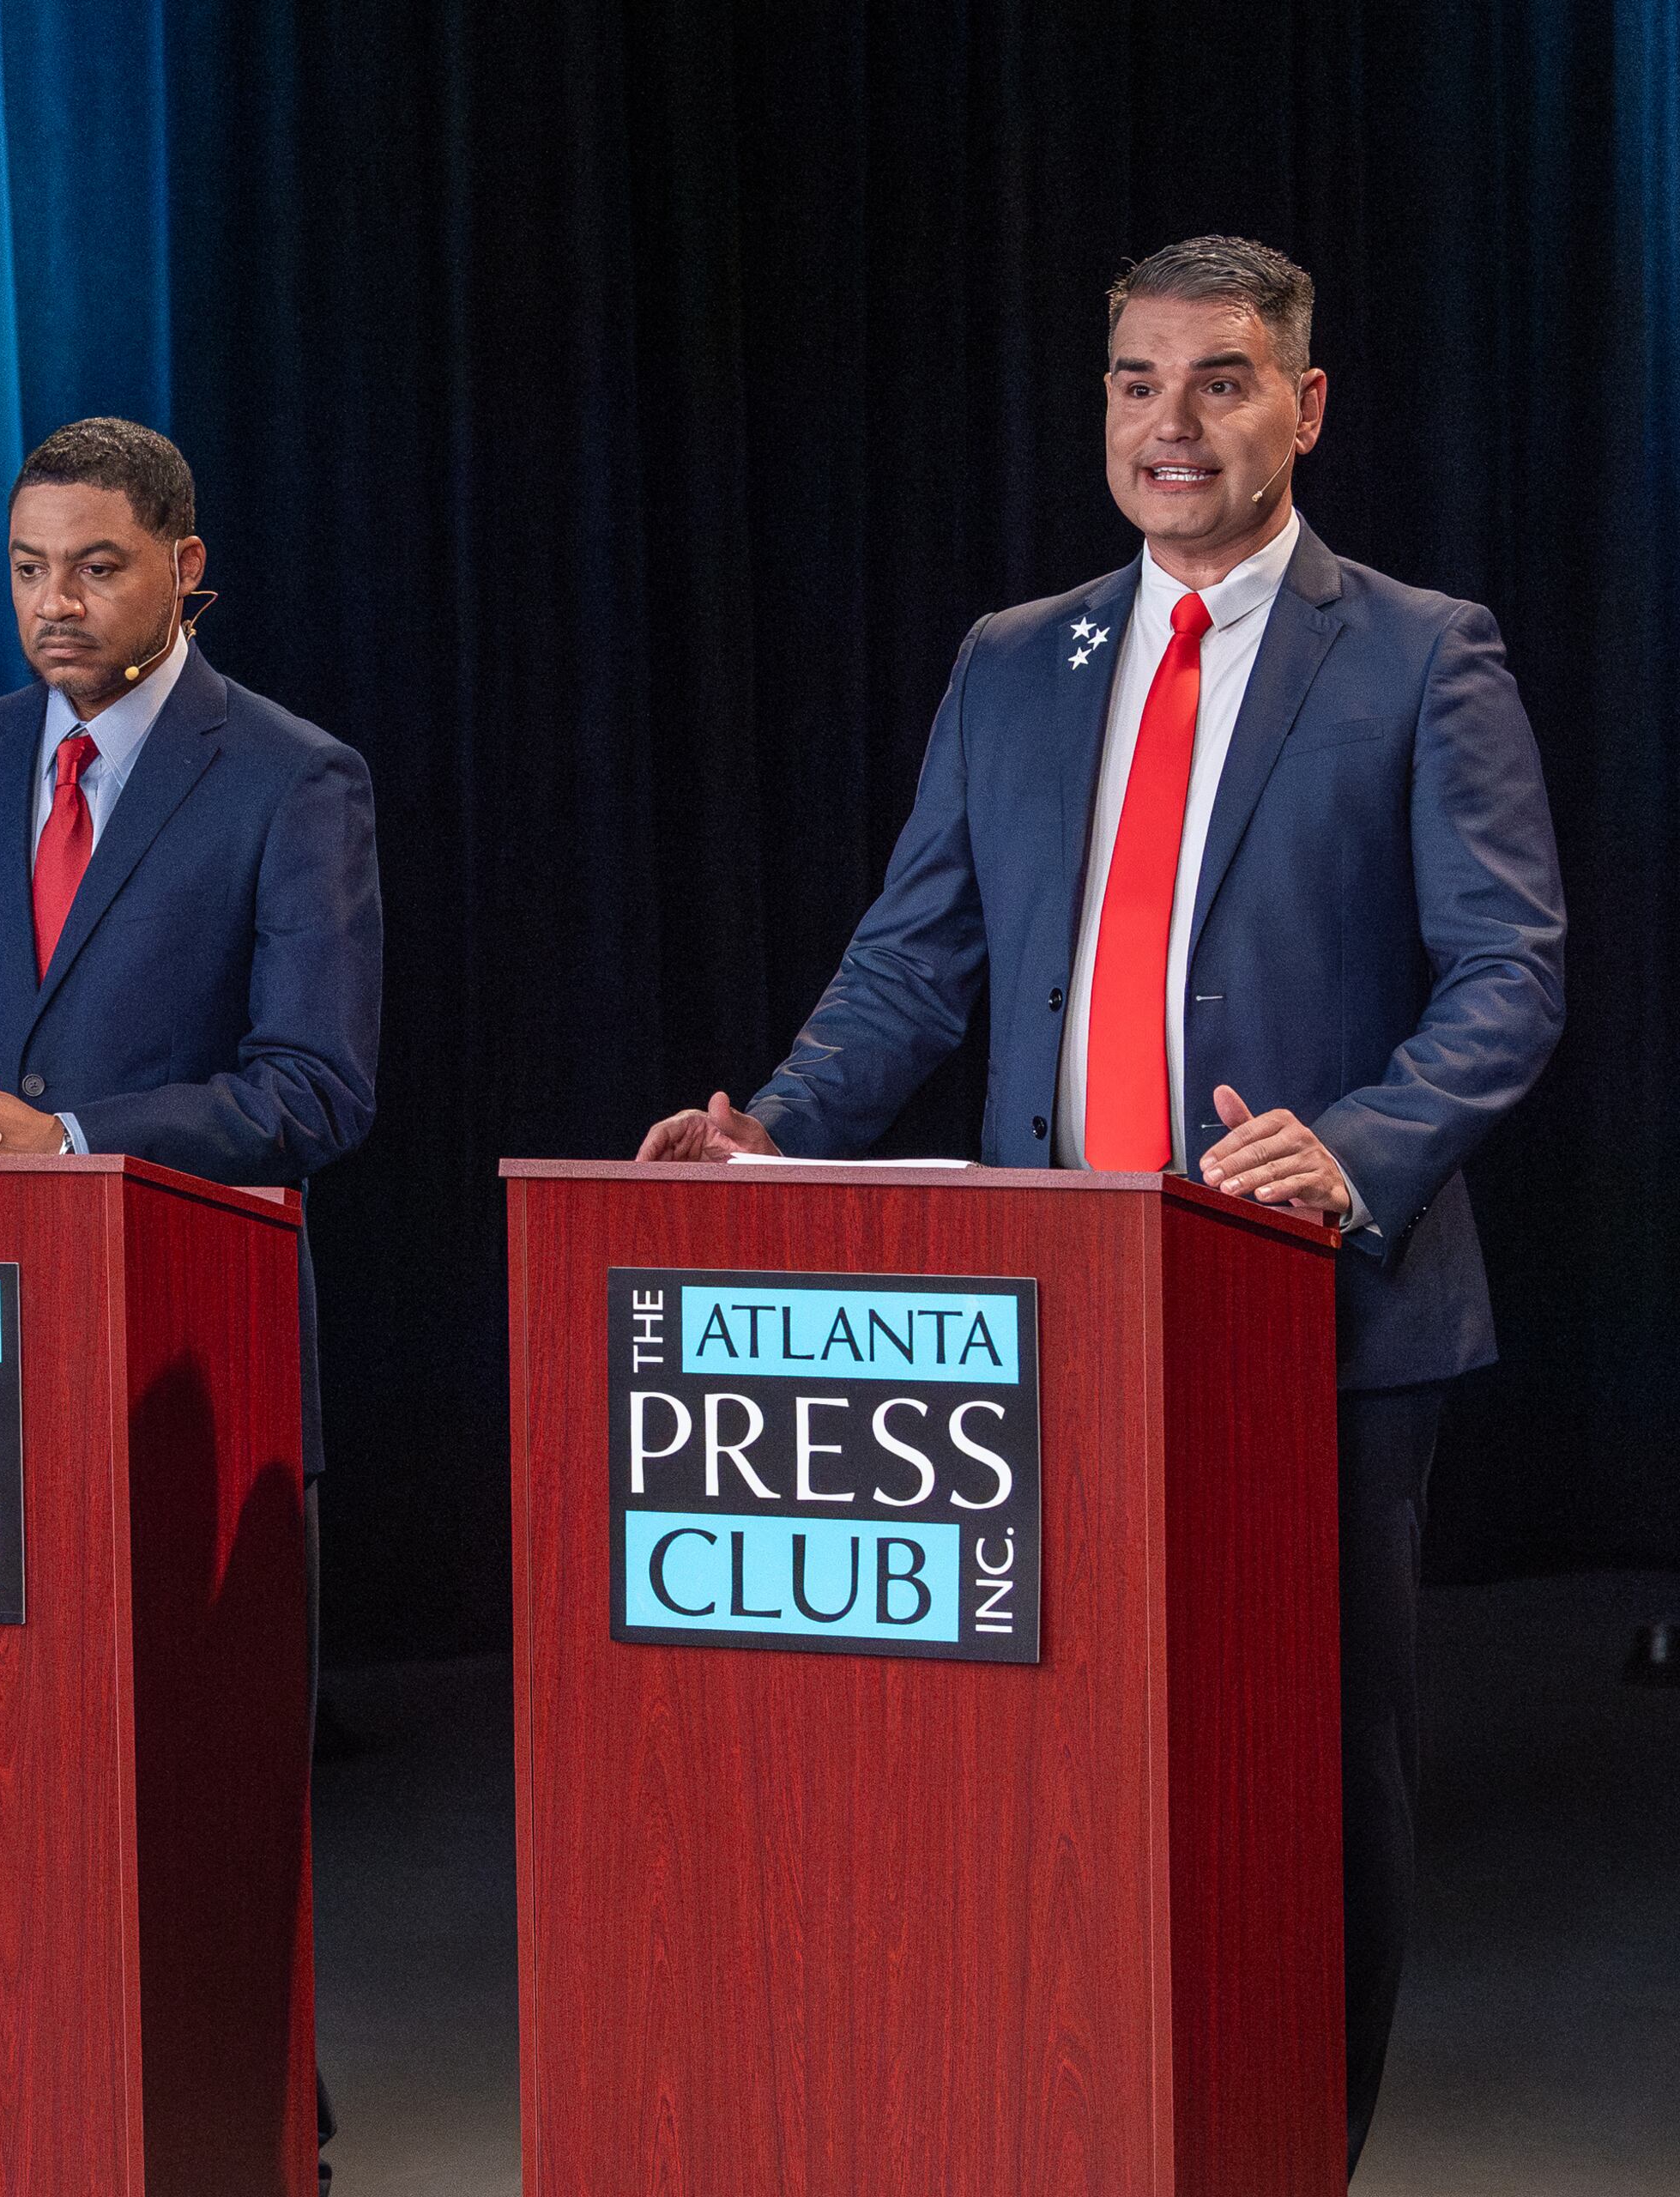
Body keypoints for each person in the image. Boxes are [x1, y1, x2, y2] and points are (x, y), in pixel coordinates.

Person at [638, 236, 1564, 2166]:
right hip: (1044, 1314)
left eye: (1220, 381)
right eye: (1138, 382)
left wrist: (1362, 1142)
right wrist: (777, 1134)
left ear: (1302, 410)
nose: (1171, 423)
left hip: (1314, 1309)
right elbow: (914, 960)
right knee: (1052, 1766)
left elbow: (1510, 974)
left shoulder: (1417, 648)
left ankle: (1291, 2143)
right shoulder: (1013, 659)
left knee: (1304, 1778)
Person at [0, 415, 382, 2177]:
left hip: (190, 1354)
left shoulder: (292, 777)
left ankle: (244, 2116)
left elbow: (315, 1085)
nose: (53, 604)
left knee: (205, 1789)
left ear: (185, 568)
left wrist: (58, 1133)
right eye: (25, 568)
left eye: (94, 565)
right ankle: (17, 2093)